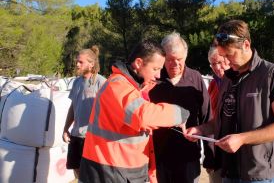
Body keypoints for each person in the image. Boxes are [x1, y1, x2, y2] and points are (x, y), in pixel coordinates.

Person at [186, 19, 274, 183]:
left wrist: (242, 139)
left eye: (230, 54)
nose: (227, 62)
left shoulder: (272, 74)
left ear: (246, 45)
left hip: (258, 173)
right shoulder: (228, 79)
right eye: (223, 56)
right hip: (229, 171)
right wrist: (201, 130)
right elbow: (221, 121)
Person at [78, 40, 190, 183]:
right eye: (155, 69)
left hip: (121, 171)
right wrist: (179, 114)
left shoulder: (132, 87)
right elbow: (143, 115)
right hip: (108, 171)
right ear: (138, 63)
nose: (158, 75)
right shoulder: (118, 85)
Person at [149, 32, 210, 183]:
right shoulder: (153, 79)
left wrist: (210, 154)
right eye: (169, 59)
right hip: (159, 157)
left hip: (188, 157)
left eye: (179, 59)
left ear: (186, 56)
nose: (175, 64)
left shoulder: (195, 78)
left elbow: (207, 117)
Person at [62, 46, 106, 178]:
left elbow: (108, 111)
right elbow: (73, 107)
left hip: (92, 137)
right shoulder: (76, 82)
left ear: (91, 64)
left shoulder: (101, 82)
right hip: (76, 135)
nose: (77, 64)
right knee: (76, 169)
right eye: (77, 61)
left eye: (81, 62)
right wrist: (65, 129)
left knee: (92, 175)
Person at [203, 46, 230, 183]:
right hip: (216, 149)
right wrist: (209, 154)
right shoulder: (213, 85)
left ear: (228, 59)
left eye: (220, 62)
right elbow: (209, 117)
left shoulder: (239, 83)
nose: (217, 67)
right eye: (213, 64)